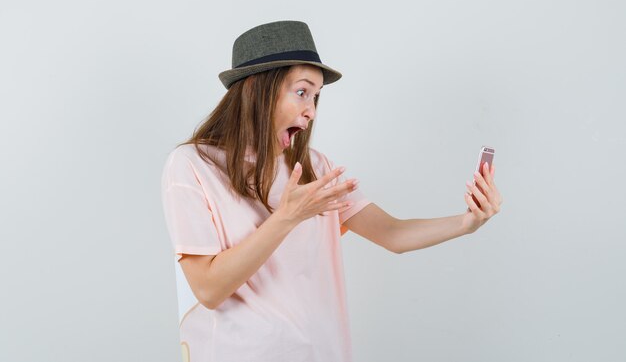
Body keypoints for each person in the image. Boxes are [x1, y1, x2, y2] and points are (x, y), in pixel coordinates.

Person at [161, 20, 503, 362]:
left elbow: (393, 234)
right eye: (301, 92)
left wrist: (466, 223)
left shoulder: (315, 168)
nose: (310, 111)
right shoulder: (192, 165)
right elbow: (208, 288)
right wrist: (286, 218)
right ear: (255, 89)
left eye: (316, 97)